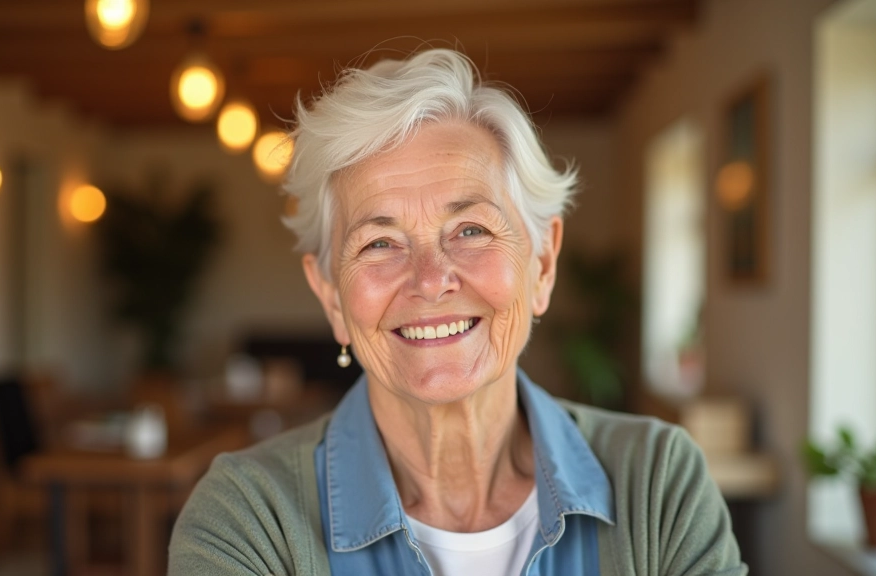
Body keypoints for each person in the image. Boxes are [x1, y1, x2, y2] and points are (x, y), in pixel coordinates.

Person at [170, 49, 746, 575]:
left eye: (470, 230)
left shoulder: (658, 484)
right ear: (330, 297)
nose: (429, 280)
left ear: (542, 263)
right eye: (379, 243)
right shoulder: (248, 518)